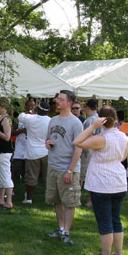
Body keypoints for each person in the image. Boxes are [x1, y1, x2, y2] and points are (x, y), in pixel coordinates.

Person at [75, 106, 128, 255]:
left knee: (105, 220)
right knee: (115, 218)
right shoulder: (122, 136)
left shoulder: (102, 139)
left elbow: (77, 141)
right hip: (118, 181)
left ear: (101, 120)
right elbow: (123, 157)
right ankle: (118, 253)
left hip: (101, 183)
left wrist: (92, 126)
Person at [45, 90, 83, 245]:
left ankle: (67, 232)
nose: (57, 101)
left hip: (67, 169)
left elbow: (78, 148)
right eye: (57, 99)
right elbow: (48, 139)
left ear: (69, 103)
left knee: (69, 202)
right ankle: (60, 228)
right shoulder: (52, 120)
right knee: (57, 201)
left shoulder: (76, 123)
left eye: (61, 99)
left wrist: (70, 170)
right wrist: (48, 143)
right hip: (53, 166)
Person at [16, 100, 50, 204]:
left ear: (37, 108)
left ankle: (29, 198)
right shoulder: (50, 120)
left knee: (31, 176)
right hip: (46, 151)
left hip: (32, 152)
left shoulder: (30, 118)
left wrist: (31, 111)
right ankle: (50, 198)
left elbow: (20, 116)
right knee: (48, 177)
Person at [12, 100, 34, 204]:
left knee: (29, 173)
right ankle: (11, 190)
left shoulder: (35, 118)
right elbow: (12, 131)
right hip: (20, 148)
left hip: (31, 149)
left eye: (33, 106)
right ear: (25, 106)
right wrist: (21, 131)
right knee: (15, 170)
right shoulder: (20, 118)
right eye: (29, 105)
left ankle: (27, 193)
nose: (31, 107)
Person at [79, 98, 100, 206]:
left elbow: (88, 135)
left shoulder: (90, 120)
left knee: (83, 175)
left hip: (87, 151)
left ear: (87, 107)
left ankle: (86, 200)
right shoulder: (97, 118)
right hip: (92, 150)